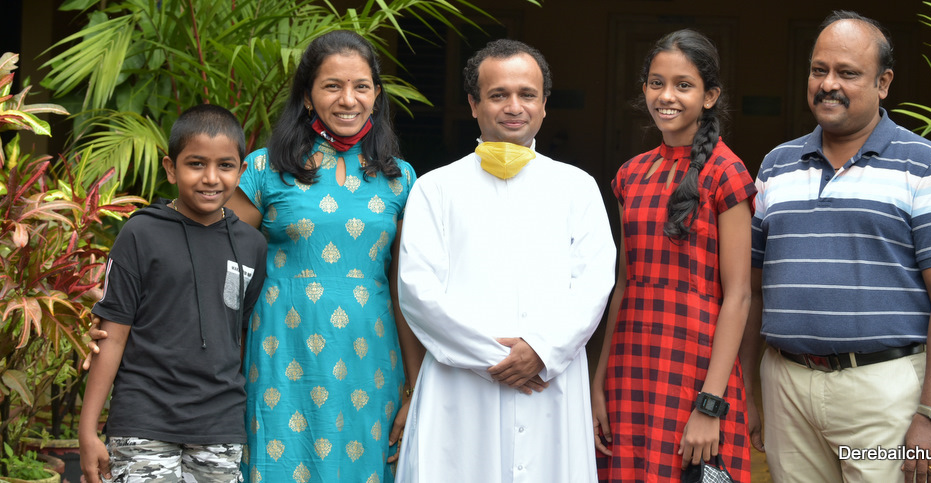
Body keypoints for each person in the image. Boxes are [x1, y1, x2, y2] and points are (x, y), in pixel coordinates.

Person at [743, 10, 931, 483]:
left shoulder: (926, 167)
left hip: (883, 389)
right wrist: (745, 388)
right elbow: (752, 290)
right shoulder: (776, 165)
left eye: (847, 73)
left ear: (883, 83)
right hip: (785, 384)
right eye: (819, 70)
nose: (828, 84)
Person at [393, 39, 616, 482]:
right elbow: (418, 292)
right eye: (498, 95)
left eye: (527, 94)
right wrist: (497, 359)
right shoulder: (435, 189)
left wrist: (542, 350)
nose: (514, 107)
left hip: (549, 380)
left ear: (544, 104)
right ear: (473, 104)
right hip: (462, 384)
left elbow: (594, 283)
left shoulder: (577, 187)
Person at [225, 30, 422, 483]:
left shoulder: (402, 178)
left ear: (376, 94)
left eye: (361, 86)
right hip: (278, 352)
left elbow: (406, 290)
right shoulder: (264, 168)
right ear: (307, 96)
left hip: (371, 359)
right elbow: (222, 264)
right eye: (332, 86)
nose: (348, 99)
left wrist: (415, 386)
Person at [590, 29, 755, 482]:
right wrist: (598, 382)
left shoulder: (727, 173)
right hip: (630, 368)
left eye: (684, 85)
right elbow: (624, 285)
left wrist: (710, 403)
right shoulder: (630, 175)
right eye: (656, 83)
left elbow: (739, 296)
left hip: (697, 373)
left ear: (709, 96)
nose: (667, 96)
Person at [79, 104, 268, 483]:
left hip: (219, 426)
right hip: (143, 421)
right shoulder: (140, 234)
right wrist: (87, 431)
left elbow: (240, 333)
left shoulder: (252, 245)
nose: (211, 178)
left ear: (242, 171)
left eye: (225, 166)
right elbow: (112, 336)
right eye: (196, 164)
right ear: (170, 168)